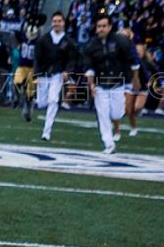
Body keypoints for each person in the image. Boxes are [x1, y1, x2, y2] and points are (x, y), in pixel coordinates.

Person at [81, 14, 140, 155]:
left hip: (118, 83)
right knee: (103, 114)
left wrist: (135, 79)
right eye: (99, 26)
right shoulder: (91, 45)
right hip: (100, 85)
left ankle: (114, 128)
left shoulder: (121, 41)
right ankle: (109, 143)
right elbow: (88, 67)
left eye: (104, 26)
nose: (101, 29)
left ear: (110, 27)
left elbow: (134, 61)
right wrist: (91, 85)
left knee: (117, 113)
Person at [34, 10, 77, 141]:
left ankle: (46, 131)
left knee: (53, 100)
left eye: (59, 21)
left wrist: (67, 71)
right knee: (41, 103)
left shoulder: (68, 41)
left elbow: (71, 59)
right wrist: (36, 75)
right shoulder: (43, 39)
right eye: (54, 21)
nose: (56, 24)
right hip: (43, 74)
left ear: (63, 23)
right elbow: (37, 58)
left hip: (57, 74)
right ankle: (30, 103)